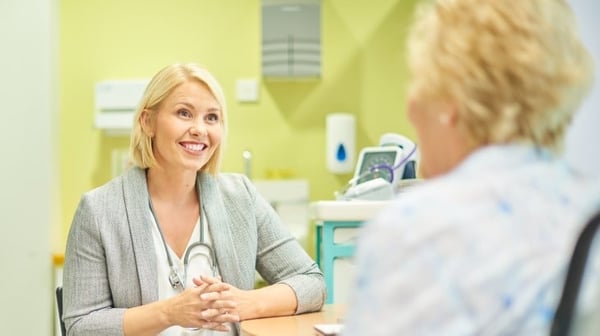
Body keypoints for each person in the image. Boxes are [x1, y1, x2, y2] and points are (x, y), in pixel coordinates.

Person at [343, 0, 600, 335]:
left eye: (418, 81)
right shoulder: (587, 208)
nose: (410, 108)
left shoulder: (412, 230)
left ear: (451, 101)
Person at [62, 63, 325, 335]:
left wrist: (244, 303)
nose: (200, 129)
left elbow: (312, 283)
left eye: (211, 118)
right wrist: (169, 312)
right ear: (147, 121)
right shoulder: (99, 210)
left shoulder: (240, 198)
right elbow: (81, 326)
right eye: (184, 113)